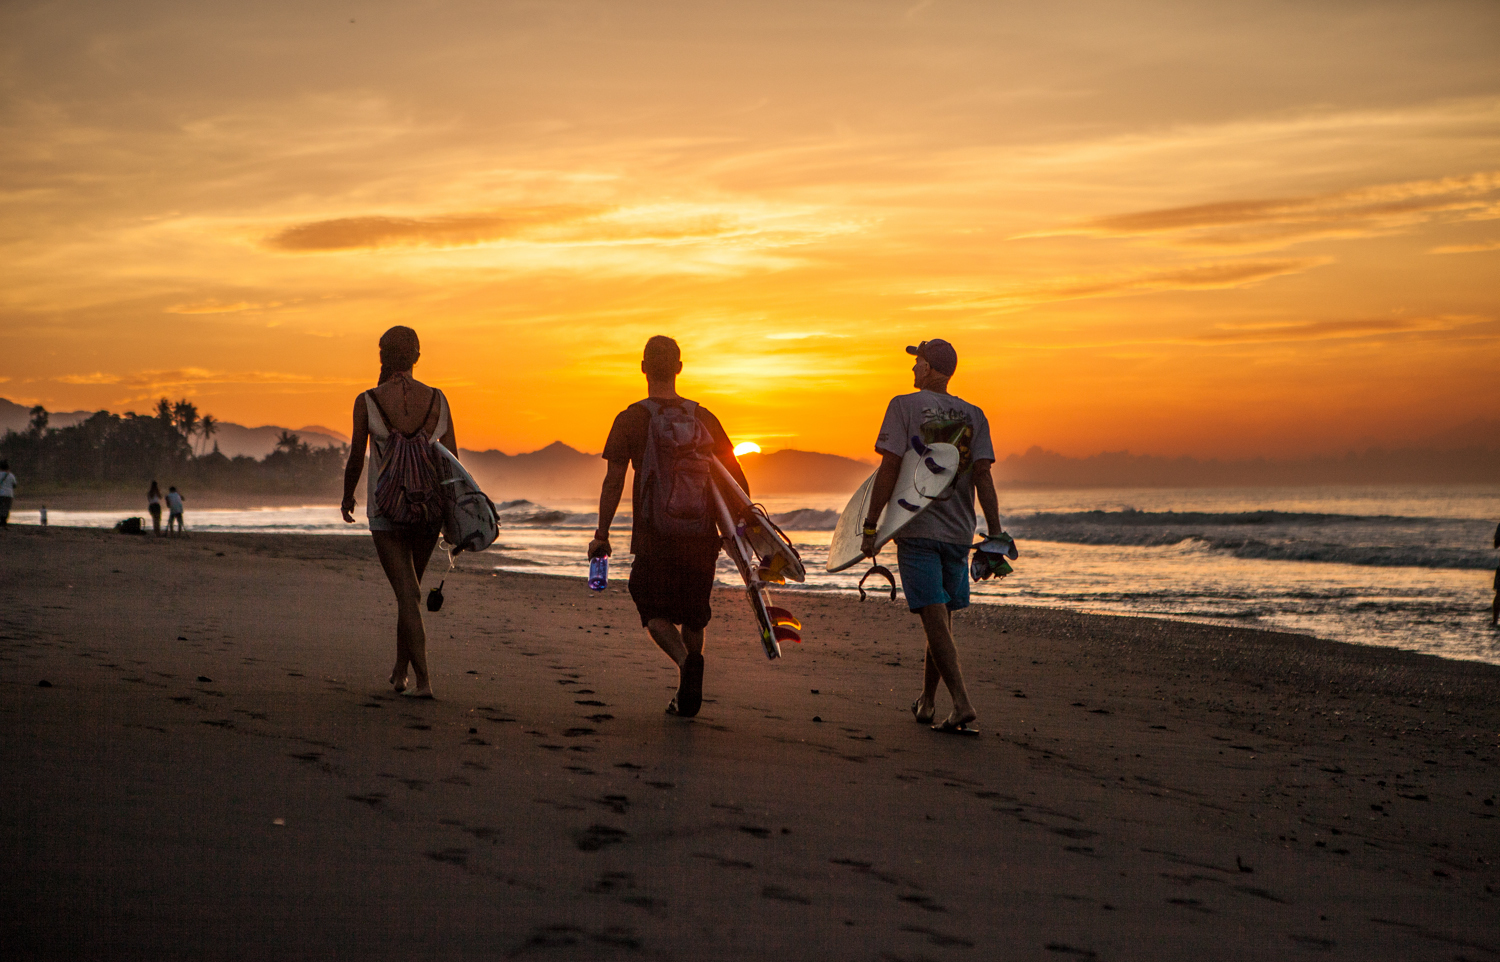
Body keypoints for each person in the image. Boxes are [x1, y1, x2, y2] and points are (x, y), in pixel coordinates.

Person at [590, 336, 750, 718]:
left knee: (650, 604)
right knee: (695, 613)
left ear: (643, 367)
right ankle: (686, 688)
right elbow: (735, 482)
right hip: (701, 534)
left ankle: (684, 663)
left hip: (655, 534)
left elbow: (613, 481)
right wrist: (739, 533)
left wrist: (602, 534)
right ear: (679, 368)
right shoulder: (704, 417)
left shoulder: (630, 418)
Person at [861, 339, 1002, 735]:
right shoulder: (974, 414)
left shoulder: (903, 406)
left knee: (934, 616)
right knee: (938, 616)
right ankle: (927, 702)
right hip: (959, 531)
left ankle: (961, 703)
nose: (912, 369)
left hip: (918, 529)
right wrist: (993, 534)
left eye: (917, 362)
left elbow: (890, 467)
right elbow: (983, 476)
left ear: (931, 367)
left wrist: (872, 525)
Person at [341, 326, 456, 699]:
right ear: (417, 356)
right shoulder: (438, 399)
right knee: (411, 591)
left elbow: (357, 455)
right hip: (428, 510)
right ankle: (399, 671)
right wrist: (455, 515)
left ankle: (423, 681)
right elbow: (454, 463)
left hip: (387, 511)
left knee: (408, 595)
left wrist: (348, 497)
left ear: (382, 355)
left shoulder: (369, 400)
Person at [0, 460, 14, 527]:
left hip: (1, 493)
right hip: (9, 494)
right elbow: (14, 484)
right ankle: (4, 521)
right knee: (6, 508)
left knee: (1, 507)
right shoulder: (11, 475)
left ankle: (1, 521)